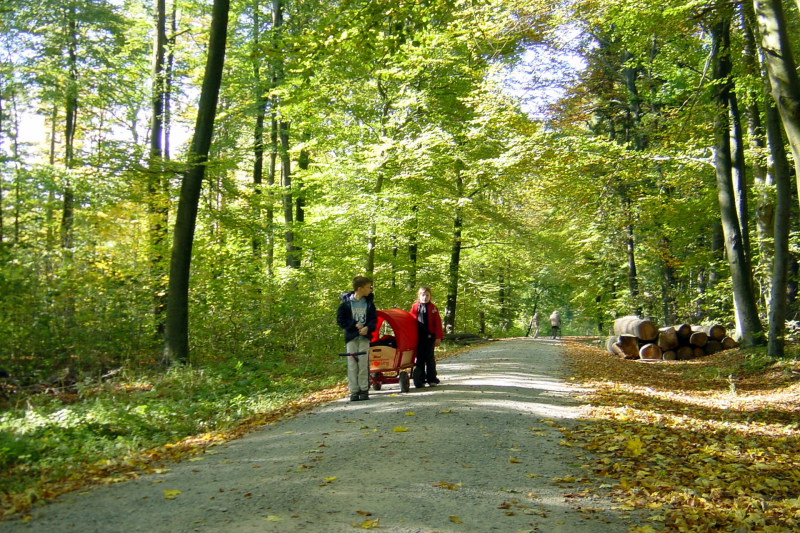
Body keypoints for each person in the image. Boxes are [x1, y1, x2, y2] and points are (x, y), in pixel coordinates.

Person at [337, 276, 377, 402]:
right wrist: (354, 324)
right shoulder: (346, 305)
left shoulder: (369, 304)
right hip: (351, 338)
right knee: (352, 364)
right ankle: (354, 391)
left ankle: (364, 389)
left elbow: (373, 320)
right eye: (367, 287)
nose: (370, 289)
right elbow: (341, 320)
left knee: (363, 363)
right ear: (359, 288)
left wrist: (367, 328)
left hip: (364, 338)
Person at [409, 286, 443, 387]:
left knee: (429, 357)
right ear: (419, 296)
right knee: (419, 358)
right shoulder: (415, 307)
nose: (425, 297)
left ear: (430, 296)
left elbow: (437, 323)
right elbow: (410, 320)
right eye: (423, 295)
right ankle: (420, 379)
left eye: (427, 295)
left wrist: (438, 337)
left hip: (429, 336)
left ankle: (432, 379)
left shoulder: (433, 308)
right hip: (418, 336)